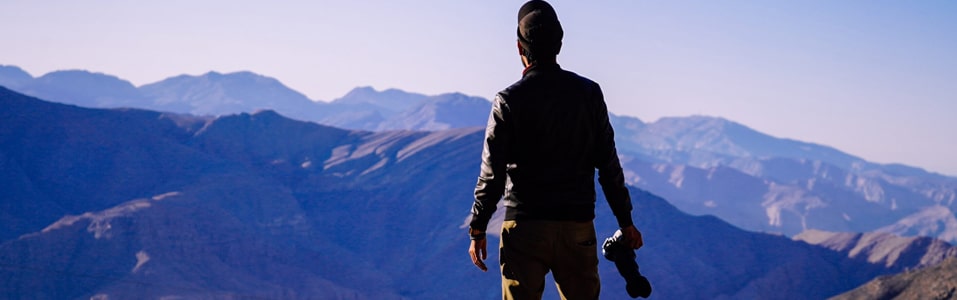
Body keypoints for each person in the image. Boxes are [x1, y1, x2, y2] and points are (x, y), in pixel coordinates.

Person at [467, 1, 644, 299]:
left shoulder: (508, 101)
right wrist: (625, 222)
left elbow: (492, 174)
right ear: (560, 43)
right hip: (577, 227)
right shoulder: (589, 94)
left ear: (519, 48)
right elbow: (608, 165)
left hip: (523, 229)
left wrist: (478, 227)